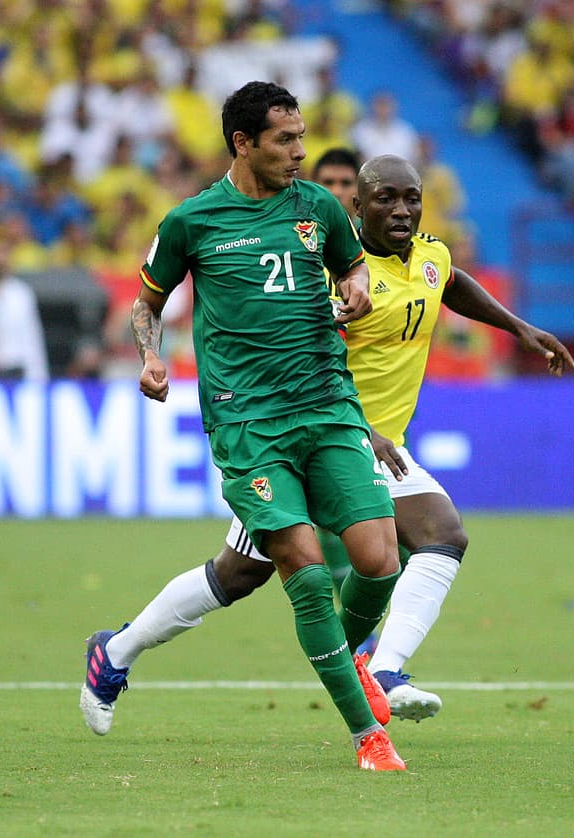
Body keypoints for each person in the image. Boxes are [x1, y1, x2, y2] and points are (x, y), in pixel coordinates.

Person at [80, 152, 574, 740]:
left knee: (436, 535)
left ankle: (381, 669)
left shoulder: (430, 257)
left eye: (411, 198)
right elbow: (298, 356)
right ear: (354, 209)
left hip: (371, 447)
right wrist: (358, 427)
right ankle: (116, 652)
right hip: (309, 437)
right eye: (384, 198)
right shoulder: (327, 277)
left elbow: (449, 283)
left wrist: (520, 328)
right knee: (239, 574)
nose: (402, 209)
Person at [81, 82, 408, 772]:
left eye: (301, 137)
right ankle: (367, 737)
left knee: (380, 560)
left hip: (325, 406)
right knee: (304, 572)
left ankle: (336, 662)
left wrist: (356, 288)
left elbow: (354, 274)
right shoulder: (192, 221)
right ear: (242, 143)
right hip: (249, 423)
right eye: (285, 140)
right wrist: (149, 357)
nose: (300, 152)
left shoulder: (318, 207)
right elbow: (147, 305)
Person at [0, 239, 49, 380]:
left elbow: (32, 337)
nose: (0, 259)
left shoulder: (20, 294)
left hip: (12, 371)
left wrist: (39, 376)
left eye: (4, 254)